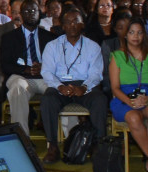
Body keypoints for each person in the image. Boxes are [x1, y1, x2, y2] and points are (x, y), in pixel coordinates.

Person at [39, 9, 108, 162]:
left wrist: (84, 87)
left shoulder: (93, 46)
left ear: (82, 24)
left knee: (100, 100)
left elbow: (96, 73)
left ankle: (98, 145)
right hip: (60, 85)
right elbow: (47, 72)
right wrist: (59, 87)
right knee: (48, 100)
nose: (72, 25)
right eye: (68, 22)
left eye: (76, 21)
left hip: (84, 86)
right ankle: (53, 146)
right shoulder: (52, 46)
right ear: (63, 26)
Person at [108, 19, 148, 172]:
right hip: (124, 99)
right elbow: (115, 88)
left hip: (147, 96)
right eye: (131, 32)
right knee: (133, 117)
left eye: (139, 32)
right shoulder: (117, 56)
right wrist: (130, 101)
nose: (136, 36)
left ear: (144, 35)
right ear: (125, 35)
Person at [1, 0, 55, 137]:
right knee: (17, 88)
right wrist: (25, 69)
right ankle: (23, 138)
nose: (30, 14)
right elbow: (5, 64)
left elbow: (59, 63)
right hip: (21, 76)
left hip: (45, 77)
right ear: (21, 14)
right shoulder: (9, 37)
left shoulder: (50, 37)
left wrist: (44, 67)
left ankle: (70, 138)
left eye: (33, 11)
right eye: (26, 11)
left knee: (60, 89)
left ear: (39, 13)